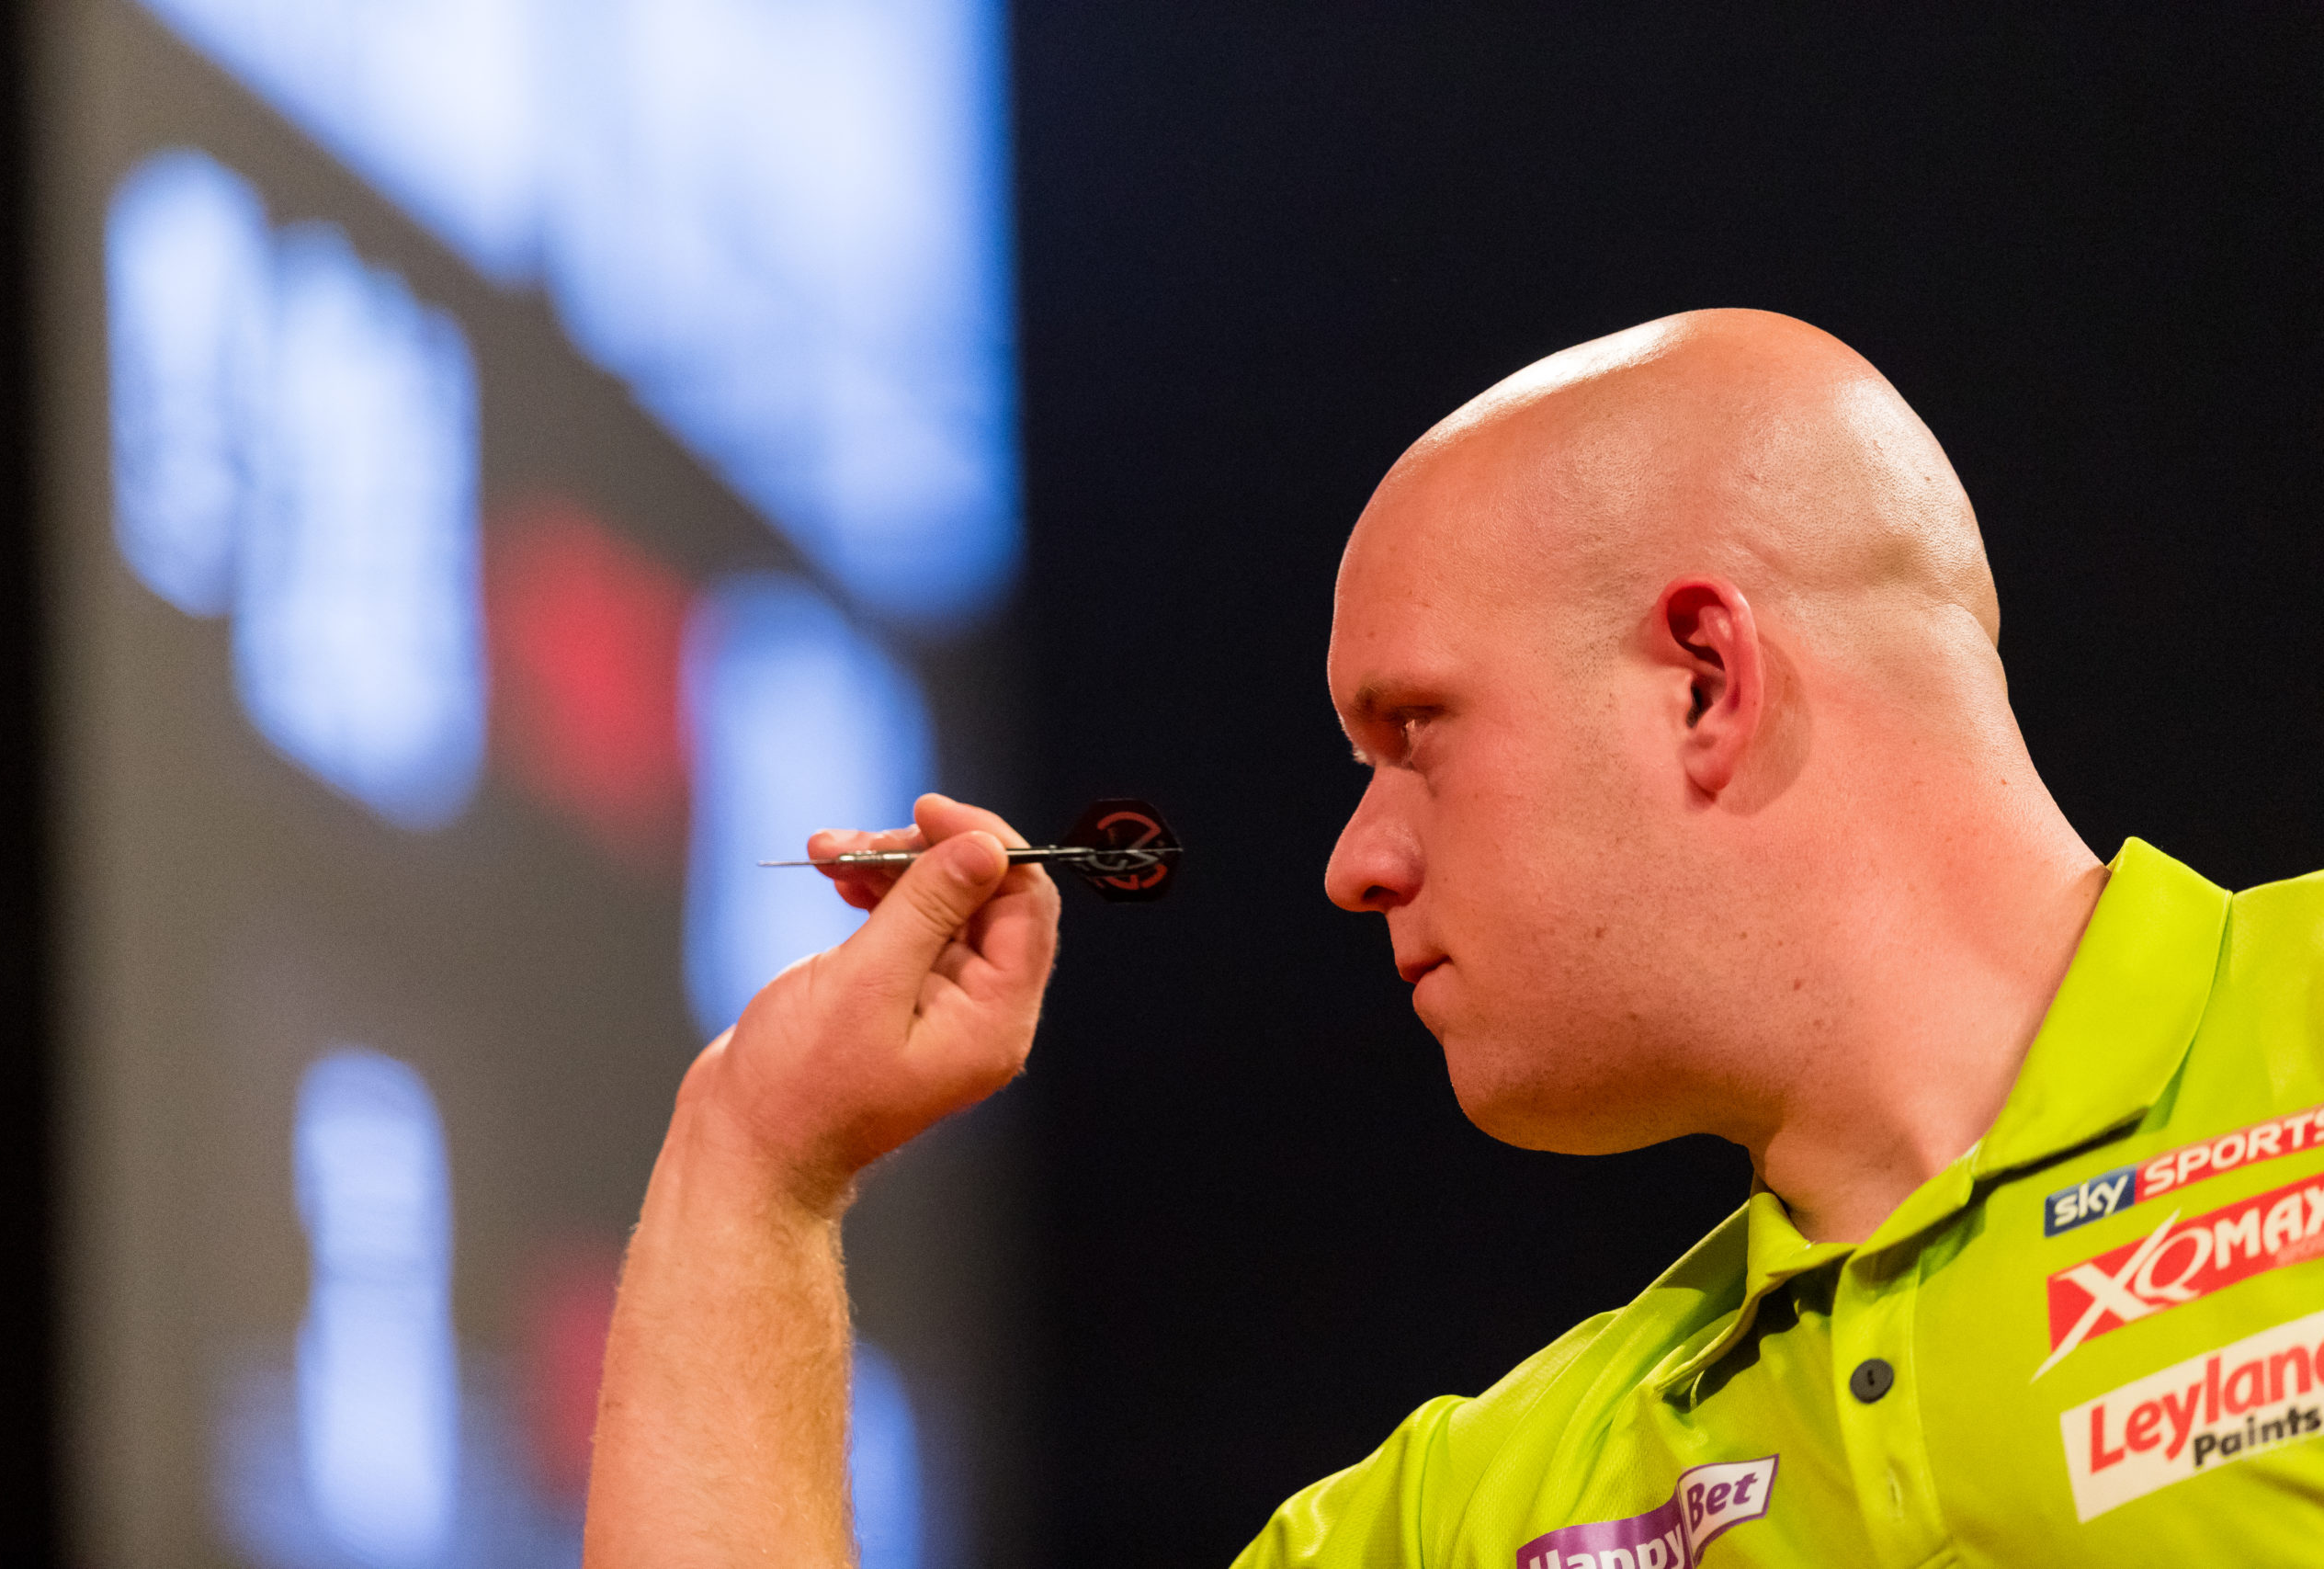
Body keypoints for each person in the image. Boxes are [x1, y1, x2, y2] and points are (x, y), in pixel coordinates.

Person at [584, 310, 2324, 1566]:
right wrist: (755, 1168)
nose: (1355, 865)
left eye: (1414, 731)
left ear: (1704, 679)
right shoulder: (1477, 1520)